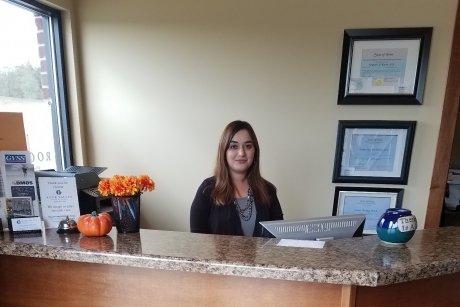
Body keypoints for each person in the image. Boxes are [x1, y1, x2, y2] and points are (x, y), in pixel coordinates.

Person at [190, 120, 283, 237]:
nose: (241, 153)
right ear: (224, 151)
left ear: (255, 151)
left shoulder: (268, 190)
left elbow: (279, 237)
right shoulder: (207, 189)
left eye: (248, 146)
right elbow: (197, 239)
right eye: (234, 146)